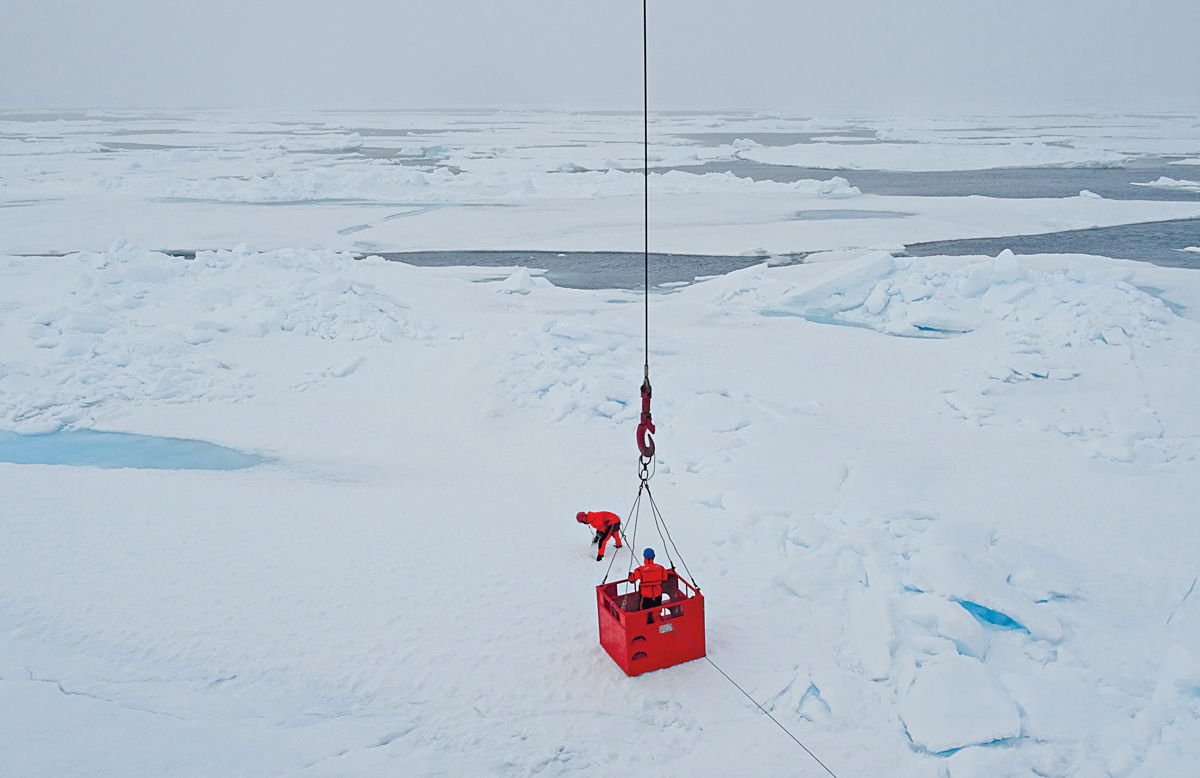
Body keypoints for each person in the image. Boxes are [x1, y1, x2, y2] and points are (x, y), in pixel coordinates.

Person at [628, 548, 667, 619]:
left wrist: (630, 576)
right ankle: (657, 623)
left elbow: (632, 579)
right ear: (654, 557)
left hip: (646, 596)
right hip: (657, 595)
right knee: (657, 611)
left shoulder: (640, 570)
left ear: (644, 557)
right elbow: (665, 578)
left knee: (644, 613)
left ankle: (646, 626)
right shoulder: (660, 568)